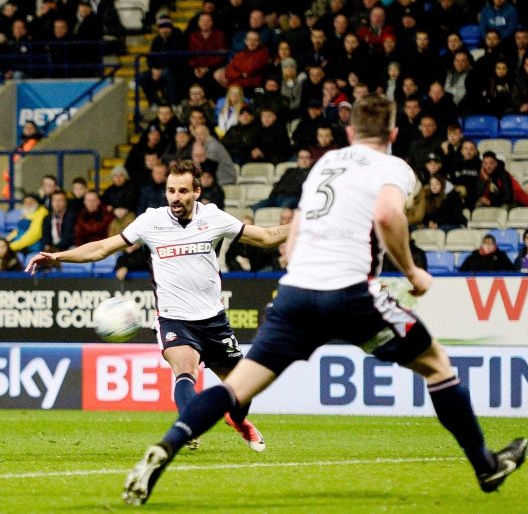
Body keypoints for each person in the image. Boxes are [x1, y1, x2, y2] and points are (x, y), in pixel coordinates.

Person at [122, 95, 527, 506]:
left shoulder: (325, 164)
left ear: (349, 132)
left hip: (297, 292)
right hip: (351, 293)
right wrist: (412, 271)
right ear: (393, 133)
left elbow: (295, 229)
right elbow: (388, 215)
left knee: (238, 387)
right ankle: (485, 465)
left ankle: (167, 446)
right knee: (437, 366)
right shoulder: (393, 166)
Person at [27, 160, 289, 451]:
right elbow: (102, 248)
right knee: (185, 370)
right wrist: (57, 256)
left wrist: (306, 226)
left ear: (197, 192)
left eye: (183, 191)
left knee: (243, 389)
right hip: (174, 319)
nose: (176, 197)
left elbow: (265, 238)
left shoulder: (213, 218)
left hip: (213, 320)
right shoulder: (150, 222)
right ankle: (188, 430)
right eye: (171, 190)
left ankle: (238, 421)